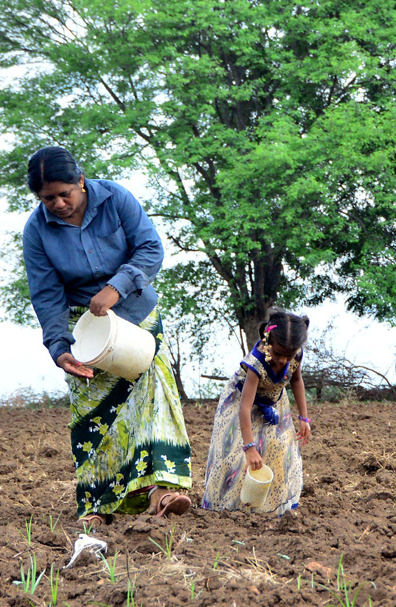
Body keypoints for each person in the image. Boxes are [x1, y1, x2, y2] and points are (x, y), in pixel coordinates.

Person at [22, 147, 192, 525]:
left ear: (81, 181)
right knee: (94, 414)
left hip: (136, 313)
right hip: (89, 331)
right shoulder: (36, 231)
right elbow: (46, 294)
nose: (59, 203)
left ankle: (164, 492)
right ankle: (98, 505)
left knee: (155, 395)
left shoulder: (116, 199)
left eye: (65, 193)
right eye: (48, 198)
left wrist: (117, 287)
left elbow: (151, 249)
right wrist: (59, 346)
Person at [201, 309, 312, 515]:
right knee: (232, 454)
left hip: (274, 402)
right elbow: (244, 407)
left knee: (280, 448)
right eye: (278, 354)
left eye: (289, 356)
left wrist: (303, 418)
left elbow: (296, 380)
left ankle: (269, 506)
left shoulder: (294, 355)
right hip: (240, 403)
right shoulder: (256, 363)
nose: (282, 361)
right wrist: (249, 447)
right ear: (268, 341)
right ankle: (226, 507)